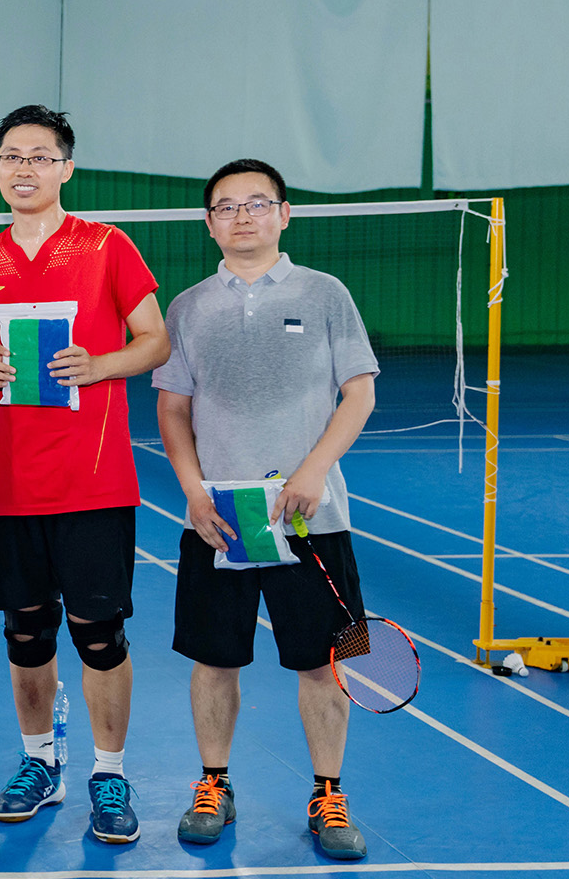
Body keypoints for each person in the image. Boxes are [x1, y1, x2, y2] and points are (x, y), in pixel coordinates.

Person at [154, 159, 378, 860]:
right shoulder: (188, 307)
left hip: (311, 518)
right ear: (209, 224)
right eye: (226, 206)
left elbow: (360, 392)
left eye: (257, 203)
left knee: (326, 663)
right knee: (213, 659)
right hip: (221, 518)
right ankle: (213, 785)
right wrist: (192, 491)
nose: (242, 216)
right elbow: (172, 409)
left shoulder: (326, 293)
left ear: (284, 213)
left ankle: (329, 794)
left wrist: (314, 470)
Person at [0, 105, 168, 844]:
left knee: (99, 634)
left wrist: (100, 364)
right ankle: (39, 761)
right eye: (12, 156)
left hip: (93, 480)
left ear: (66, 168)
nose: (25, 169)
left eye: (41, 157)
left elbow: (155, 340)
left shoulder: (106, 245)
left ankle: (109, 773)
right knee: (26, 633)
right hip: (9, 482)